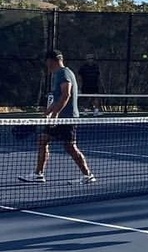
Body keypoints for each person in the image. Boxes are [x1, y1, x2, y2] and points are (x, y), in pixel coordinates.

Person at [19, 50, 96, 184]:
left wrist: (55, 115)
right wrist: (47, 112)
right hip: (61, 117)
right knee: (45, 140)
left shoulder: (63, 73)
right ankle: (39, 174)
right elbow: (57, 98)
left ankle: (87, 175)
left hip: (66, 118)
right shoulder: (60, 74)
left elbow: (66, 95)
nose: (46, 64)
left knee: (69, 146)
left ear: (51, 60)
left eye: (47, 61)